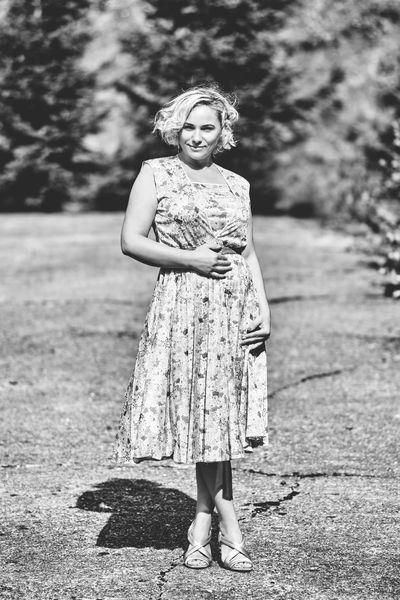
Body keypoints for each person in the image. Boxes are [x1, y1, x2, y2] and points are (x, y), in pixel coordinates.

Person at [113, 85, 271, 572]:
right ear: (174, 130)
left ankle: (202, 524)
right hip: (183, 307)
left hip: (234, 310)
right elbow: (131, 240)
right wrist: (191, 260)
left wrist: (264, 308)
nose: (197, 136)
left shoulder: (238, 184)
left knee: (217, 422)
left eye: (207, 127)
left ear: (223, 133)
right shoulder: (156, 173)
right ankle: (229, 528)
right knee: (205, 421)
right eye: (189, 127)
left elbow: (247, 251)